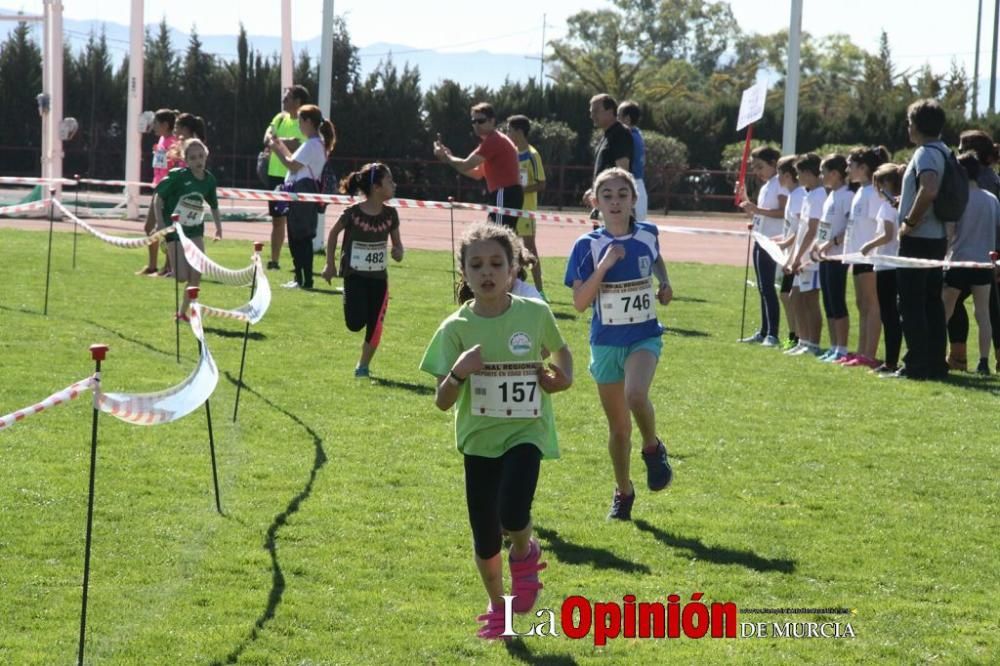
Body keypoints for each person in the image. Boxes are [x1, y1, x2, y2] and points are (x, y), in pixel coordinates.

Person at [420, 222, 573, 640]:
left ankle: (525, 551)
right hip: (479, 440)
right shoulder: (455, 328)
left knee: (512, 511)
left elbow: (561, 353)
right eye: (476, 265)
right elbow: (442, 401)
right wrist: (458, 372)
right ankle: (497, 607)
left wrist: (563, 378)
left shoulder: (535, 314)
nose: (486, 272)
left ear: (512, 271)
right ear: (464, 274)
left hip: (527, 431)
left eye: (495, 264)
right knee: (486, 533)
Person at [565, 167, 673, 521]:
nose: (614, 201)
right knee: (618, 429)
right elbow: (580, 304)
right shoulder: (587, 245)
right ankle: (623, 491)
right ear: (596, 203)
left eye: (622, 195)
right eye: (607, 196)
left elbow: (654, 256)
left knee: (636, 395)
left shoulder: (648, 234)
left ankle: (653, 449)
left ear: (633, 200)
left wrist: (665, 282)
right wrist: (605, 264)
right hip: (606, 342)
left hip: (644, 335)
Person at [321, 163, 404, 377]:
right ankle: (353, 303)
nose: (394, 185)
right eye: (389, 181)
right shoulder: (352, 213)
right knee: (355, 323)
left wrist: (398, 251)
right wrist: (330, 264)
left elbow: (397, 244)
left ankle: (363, 365)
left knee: (376, 324)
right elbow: (332, 235)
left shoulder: (391, 215)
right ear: (376, 187)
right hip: (354, 276)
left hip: (379, 279)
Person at [894, 99, 951, 380]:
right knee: (931, 303)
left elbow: (928, 189)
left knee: (911, 303)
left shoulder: (925, 153)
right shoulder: (944, 151)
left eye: (909, 122)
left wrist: (909, 222)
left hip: (919, 239)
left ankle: (915, 365)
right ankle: (935, 364)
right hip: (937, 237)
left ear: (916, 125)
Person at [945, 130, 1000, 370]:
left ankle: (943, 353)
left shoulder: (961, 198)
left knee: (944, 309)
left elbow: (951, 232)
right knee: (984, 314)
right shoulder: (991, 198)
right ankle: (985, 361)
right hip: (984, 262)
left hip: (959, 260)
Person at [267, 103, 335, 290]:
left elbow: (292, 165)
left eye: (300, 121)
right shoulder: (315, 144)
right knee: (298, 236)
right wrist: (280, 146)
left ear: (308, 122)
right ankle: (301, 278)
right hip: (303, 190)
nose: (298, 125)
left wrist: (275, 148)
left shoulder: (312, 144)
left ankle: (303, 279)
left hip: (302, 190)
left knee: (300, 238)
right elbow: (296, 161)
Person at [154, 138, 223, 319]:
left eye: (201, 156)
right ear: (186, 160)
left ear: (206, 156)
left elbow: (214, 206)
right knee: (182, 277)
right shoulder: (178, 176)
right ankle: (167, 248)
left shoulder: (209, 180)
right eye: (193, 158)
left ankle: (182, 313)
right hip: (174, 230)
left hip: (195, 230)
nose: (198, 161)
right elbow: (158, 197)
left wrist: (218, 229)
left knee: (196, 275)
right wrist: (160, 222)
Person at [433, 102, 523, 230]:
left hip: (504, 193)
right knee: (502, 239)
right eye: (473, 121)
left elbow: (465, 165)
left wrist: (447, 157)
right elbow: (476, 173)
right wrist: (449, 158)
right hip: (506, 194)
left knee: (497, 238)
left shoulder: (493, 140)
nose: (476, 124)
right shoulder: (493, 141)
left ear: (492, 121)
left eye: (480, 121)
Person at [841, 146, 890, 368]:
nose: (847, 169)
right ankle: (861, 351)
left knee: (871, 304)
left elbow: (881, 228)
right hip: (858, 257)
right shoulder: (860, 191)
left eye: (850, 165)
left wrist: (869, 249)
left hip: (871, 258)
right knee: (862, 304)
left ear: (864, 167)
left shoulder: (874, 193)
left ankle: (869, 354)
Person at [739, 146, 788, 347]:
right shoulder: (767, 185)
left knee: (768, 287)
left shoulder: (780, 184)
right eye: (755, 167)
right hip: (761, 238)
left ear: (773, 164)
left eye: (760, 167)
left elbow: (783, 211)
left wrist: (757, 210)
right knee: (762, 287)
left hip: (772, 241)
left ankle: (773, 334)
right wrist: (749, 206)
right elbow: (763, 213)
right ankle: (764, 330)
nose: (757, 172)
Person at [861, 163, 904, 374]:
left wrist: (868, 245)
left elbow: (887, 234)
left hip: (888, 264)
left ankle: (891, 361)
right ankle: (892, 359)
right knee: (892, 314)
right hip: (891, 263)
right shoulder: (896, 204)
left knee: (889, 315)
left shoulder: (888, 206)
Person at [262, 84, 310, 271]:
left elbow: (299, 146)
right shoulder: (280, 118)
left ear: (298, 101)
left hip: (295, 178)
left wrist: (278, 142)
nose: (283, 100)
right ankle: (274, 261)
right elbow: (267, 138)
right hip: (275, 176)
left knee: (296, 222)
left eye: (287, 97)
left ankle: (298, 263)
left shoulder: (305, 122)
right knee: (277, 220)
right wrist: (281, 142)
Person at [785, 153, 825, 356]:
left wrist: (800, 256)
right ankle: (804, 341)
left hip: (812, 259)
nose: (798, 178)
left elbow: (812, 230)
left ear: (810, 173)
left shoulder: (820, 196)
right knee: (796, 299)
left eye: (800, 174)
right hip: (801, 257)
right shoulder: (809, 195)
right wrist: (792, 257)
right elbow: (801, 229)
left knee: (810, 300)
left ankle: (813, 344)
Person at [503, 114, 547, 299]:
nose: (507, 133)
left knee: (530, 249)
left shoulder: (532, 155)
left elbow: (542, 183)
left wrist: (521, 189)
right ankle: (511, 287)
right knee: (510, 248)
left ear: (519, 131)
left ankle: (540, 291)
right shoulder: (509, 153)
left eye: (509, 130)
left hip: (526, 210)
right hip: (510, 208)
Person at [815, 154, 853, 363]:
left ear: (836, 174)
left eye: (824, 172)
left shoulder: (847, 196)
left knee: (838, 301)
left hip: (838, 256)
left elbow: (849, 227)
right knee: (828, 301)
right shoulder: (831, 195)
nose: (822, 176)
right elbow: (824, 225)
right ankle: (833, 346)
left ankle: (843, 348)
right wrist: (819, 246)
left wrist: (832, 244)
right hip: (825, 256)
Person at [138, 108, 181, 277]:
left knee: (166, 229)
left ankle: (168, 267)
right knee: (149, 226)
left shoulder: (175, 142)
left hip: (168, 191)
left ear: (165, 124)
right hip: (158, 188)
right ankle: (152, 265)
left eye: (156, 123)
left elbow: (177, 166)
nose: (153, 126)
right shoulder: (162, 139)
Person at [775, 156, 806, 352]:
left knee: (791, 295)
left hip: (797, 255)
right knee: (786, 294)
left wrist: (788, 241)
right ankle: (794, 335)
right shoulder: (793, 195)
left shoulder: (799, 195)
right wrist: (781, 238)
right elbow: (792, 226)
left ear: (787, 175)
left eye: (779, 173)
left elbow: (803, 226)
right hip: (789, 253)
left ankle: (799, 336)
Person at [589, 94, 633, 229]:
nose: (592, 116)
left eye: (596, 111)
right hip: (603, 202)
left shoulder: (620, 134)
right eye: (591, 112)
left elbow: (622, 171)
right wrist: (593, 190)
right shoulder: (606, 135)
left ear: (609, 111)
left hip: (613, 207)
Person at [617, 100, 648, 220]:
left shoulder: (627, 137)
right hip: (639, 186)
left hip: (629, 186)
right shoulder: (638, 134)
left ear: (627, 119)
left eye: (618, 115)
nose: (616, 119)